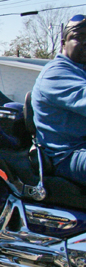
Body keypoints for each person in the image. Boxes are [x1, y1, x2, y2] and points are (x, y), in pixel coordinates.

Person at [31, 14, 86, 187]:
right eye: (79, 38)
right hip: (67, 156)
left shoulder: (79, 71)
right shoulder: (56, 73)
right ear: (63, 43)